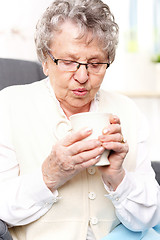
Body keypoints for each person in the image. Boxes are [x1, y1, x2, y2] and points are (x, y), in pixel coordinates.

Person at [0, 0, 159, 239]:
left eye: (95, 64)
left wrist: (117, 177)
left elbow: (149, 219)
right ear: (45, 60)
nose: (83, 77)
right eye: (68, 62)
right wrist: (50, 175)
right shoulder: (9, 105)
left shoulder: (128, 111)